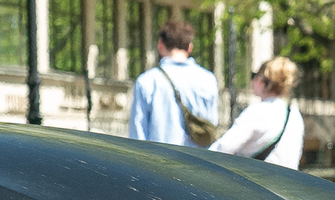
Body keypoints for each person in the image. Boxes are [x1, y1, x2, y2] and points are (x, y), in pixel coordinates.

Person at [127, 17, 220, 146]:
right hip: (198, 162)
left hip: (159, 163)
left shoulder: (148, 81)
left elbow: (137, 134)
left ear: (160, 45)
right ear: (190, 48)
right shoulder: (208, 79)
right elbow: (212, 125)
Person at [209, 56, 305, 168]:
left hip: (258, 182)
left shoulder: (257, 112)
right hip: (289, 182)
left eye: (253, 76)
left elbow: (224, 147)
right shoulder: (295, 114)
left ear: (261, 82)